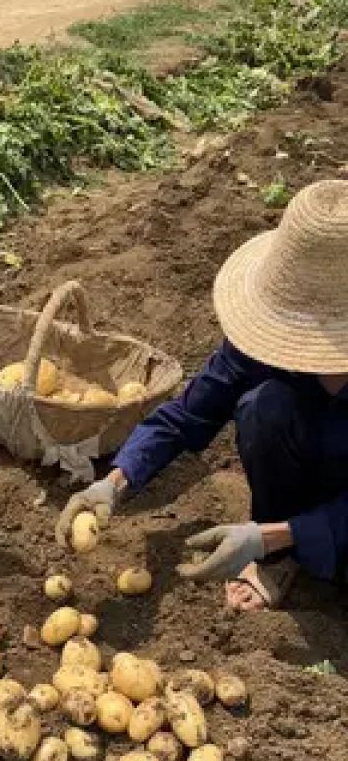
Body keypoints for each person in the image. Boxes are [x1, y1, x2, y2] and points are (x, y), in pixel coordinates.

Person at [57, 179, 348, 611]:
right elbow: (184, 417)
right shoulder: (263, 347)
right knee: (264, 407)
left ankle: (288, 546)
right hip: (311, 468)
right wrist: (115, 483)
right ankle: (285, 555)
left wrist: (266, 536)